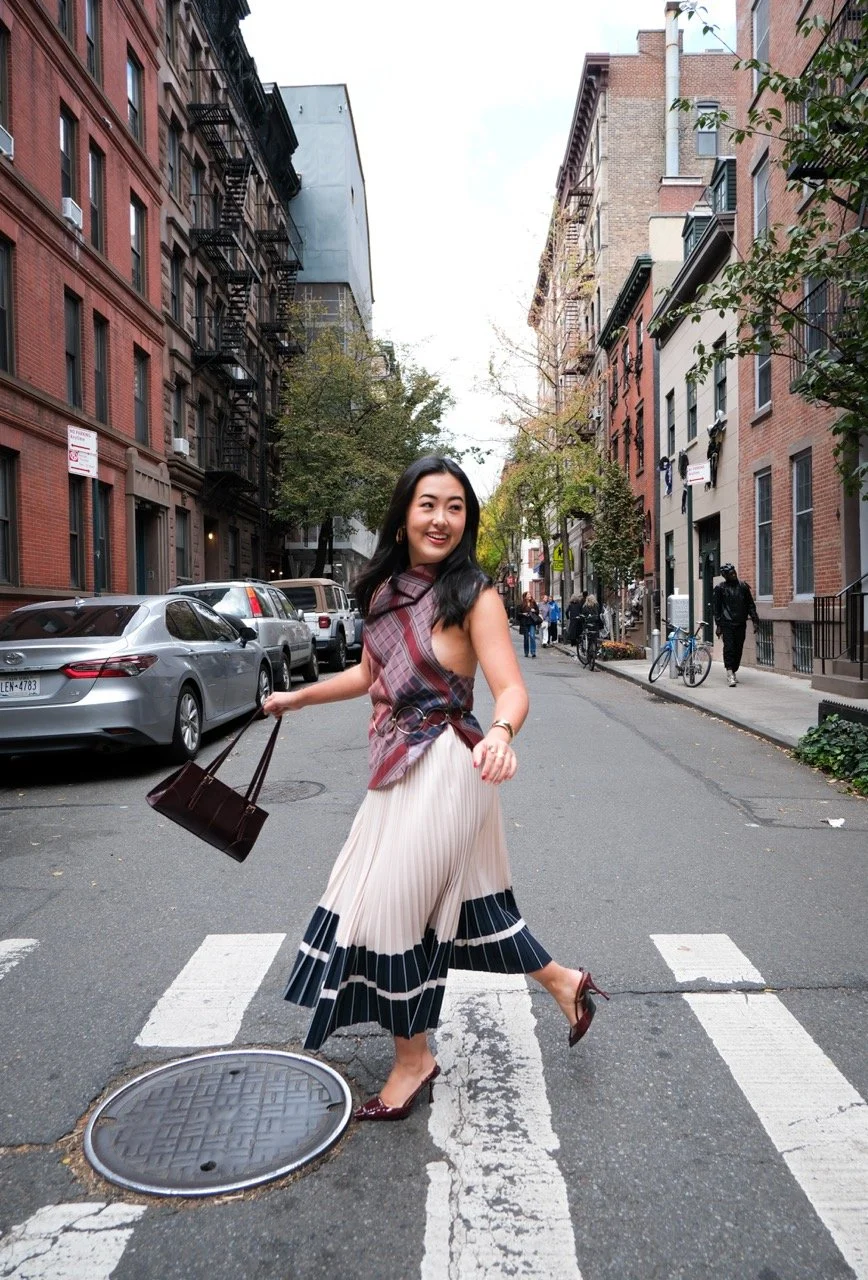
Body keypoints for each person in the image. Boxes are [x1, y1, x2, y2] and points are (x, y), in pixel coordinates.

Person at [262, 457, 607, 1122]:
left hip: (451, 764)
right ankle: (565, 982)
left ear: (466, 521)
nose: (441, 518)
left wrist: (502, 733)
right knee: (471, 909)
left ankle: (414, 1058)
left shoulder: (473, 594)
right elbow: (368, 675)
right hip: (394, 765)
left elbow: (511, 686)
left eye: (455, 507)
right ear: (404, 516)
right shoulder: (386, 593)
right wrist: (296, 698)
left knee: (392, 909)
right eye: (428, 504)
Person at [713, 563, 759, 687]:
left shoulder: (743, 586)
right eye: (730, 573)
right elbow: (716, 608)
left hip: (740, 622)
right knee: (729, 648)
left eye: (734, 572)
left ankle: (733, 670)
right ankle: (729, 673)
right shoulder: (720, 589)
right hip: (727, 623)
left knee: (738, 648)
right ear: (725, 576)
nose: (733, 575)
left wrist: (755, 620)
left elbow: (750, 604)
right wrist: (718, 625)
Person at [517, 592, 541, 658]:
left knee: (532, 636)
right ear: (525, 596)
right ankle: (526, 652)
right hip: (525, 623)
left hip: (532, 622)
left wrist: (534, 611)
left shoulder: (533, 603)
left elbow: (537, 612)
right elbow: (518, 614)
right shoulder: (521, 604)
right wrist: (523, 614)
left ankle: (533, 652)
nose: (530, 595)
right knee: (526, 638)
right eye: (528, 595)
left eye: (530, 594)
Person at [565, 591, 587, 660]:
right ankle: (578, 641)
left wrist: (568, 617)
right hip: (578, 619)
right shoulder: (579, 604)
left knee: (572, 630)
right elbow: (581, 611)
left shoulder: (570, 605)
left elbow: (566, 611)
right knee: (578, 630)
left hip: (572, 619)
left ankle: (572, 643)